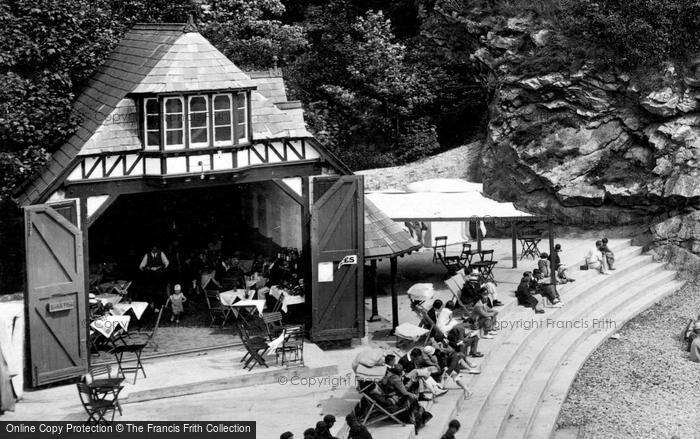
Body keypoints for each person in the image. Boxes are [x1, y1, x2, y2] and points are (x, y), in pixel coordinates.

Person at [139, 245, 170, 310]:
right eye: (153, 248)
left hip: (159, 277)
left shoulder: (161, 253)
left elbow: (167, 263)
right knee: (150, 291)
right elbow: (141, 266)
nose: (154, 249)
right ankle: (151, 305)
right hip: (150, 277)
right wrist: (147, 268)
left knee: (159, 291)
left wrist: (161, 268)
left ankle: (158, 306)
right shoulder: (147, 254)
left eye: (155, 247)